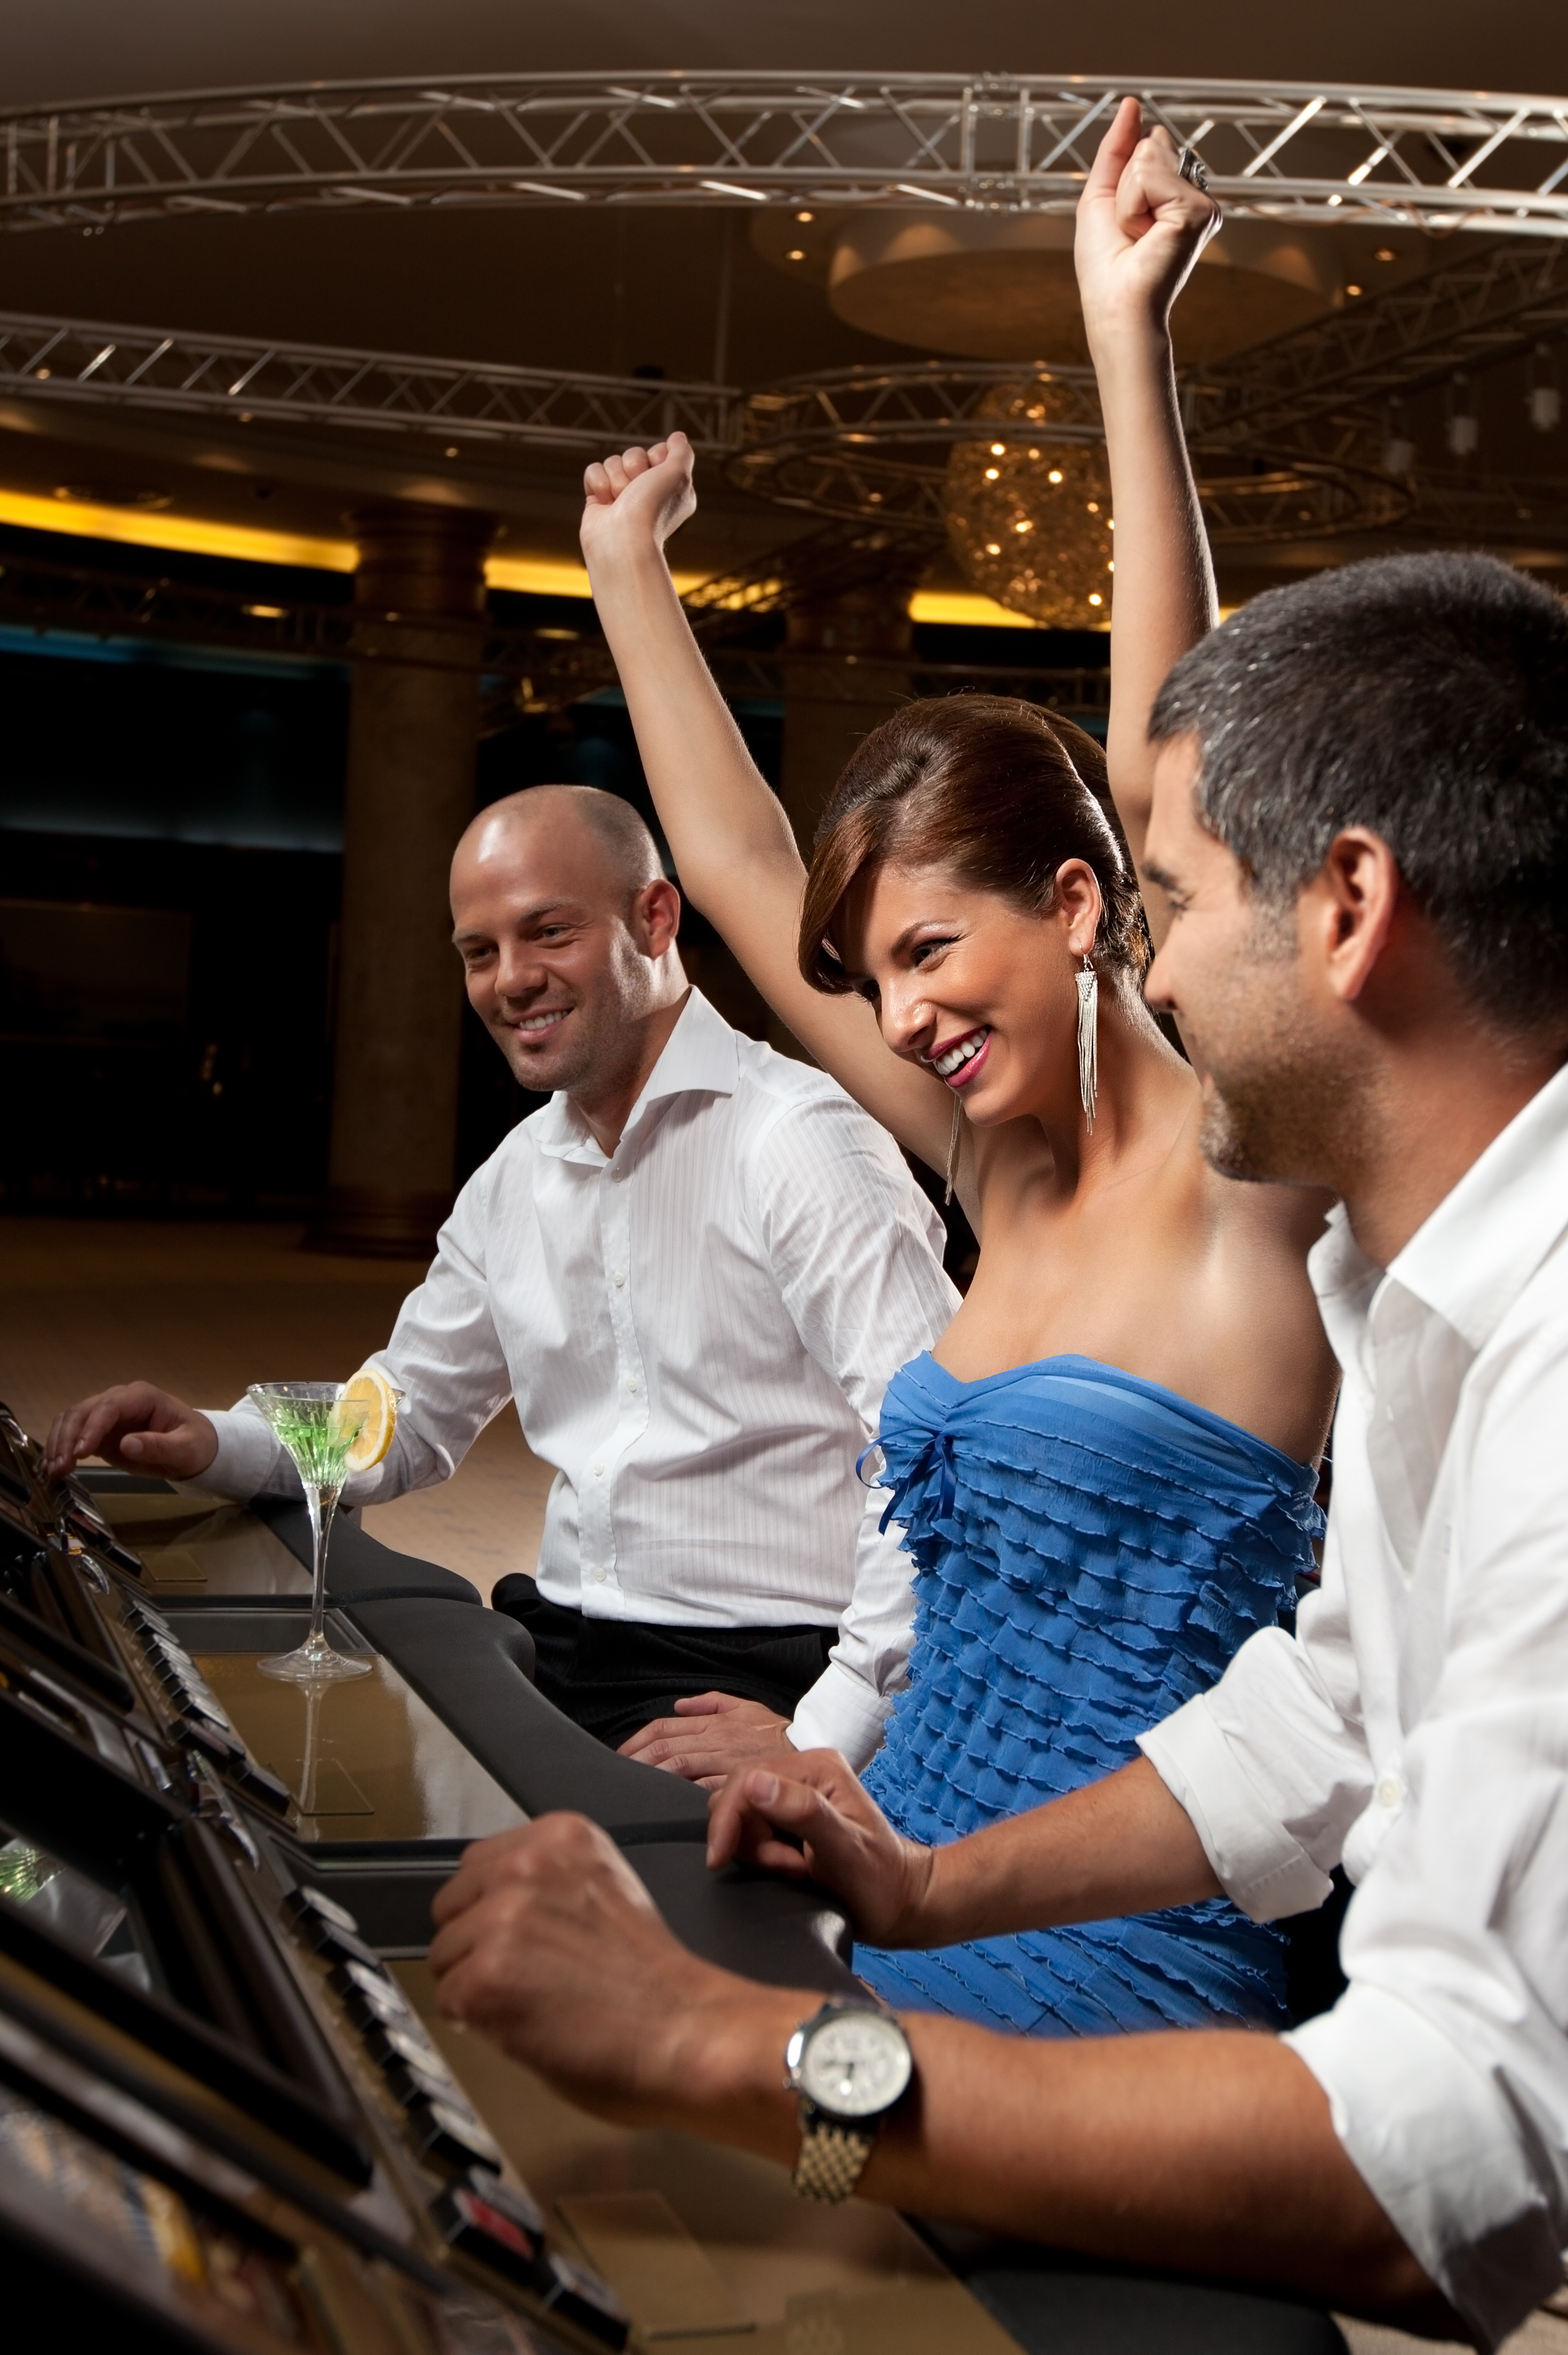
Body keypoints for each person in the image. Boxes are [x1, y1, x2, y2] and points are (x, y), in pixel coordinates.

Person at [421, 544, 1568, 2352]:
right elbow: (1315, 1729)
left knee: (790, 2194)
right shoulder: (1444, 1288)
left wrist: (716, 2045)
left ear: (1350, 906)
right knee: (734, 2249)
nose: (1149, 959)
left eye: (1177, 900)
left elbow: (1444, 2162)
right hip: (1516, 2244)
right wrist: (922, 1885)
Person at [569, 103, 1337, 2036]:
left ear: (1081, 904)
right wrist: (626, 581)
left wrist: (1121, 339)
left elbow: (1175, 753)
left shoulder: (1259, 1167)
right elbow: (744, 878)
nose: (900, 1019)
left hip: (1117, 1950)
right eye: (878, 979)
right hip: (883, 1869)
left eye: (932, 953)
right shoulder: (992, 1162)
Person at [46, 784, 957, 1766]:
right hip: (560, 1642)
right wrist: (212, 1440)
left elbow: (940, 1450)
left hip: (758, 1666)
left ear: (655, 918)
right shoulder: (513, 1179)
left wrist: (827, 1731)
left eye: (548, 933)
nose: (509, 980)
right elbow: (405, 1415)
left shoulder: (797, 1142)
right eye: (479, 953)